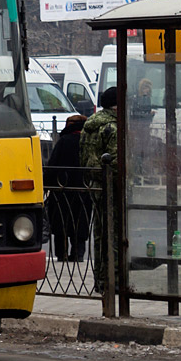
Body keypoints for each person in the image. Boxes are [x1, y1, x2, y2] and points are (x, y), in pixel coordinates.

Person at [80, 86, 118, 292]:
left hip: (93, 183)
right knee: (113, 233)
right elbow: (116, 161)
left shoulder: (91, 124)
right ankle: (114, 280)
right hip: (110, 186)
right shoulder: (111, 127)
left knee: (99, 233)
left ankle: (100, 280)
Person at [45, 114, 91, 261]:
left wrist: (46, 185)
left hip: (62, 189)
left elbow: (53, 165)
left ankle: (61, 254)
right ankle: (78, 254)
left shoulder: (64, 141)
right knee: (80, 221)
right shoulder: (88, 141)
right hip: (83, 189)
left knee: (61, 223)